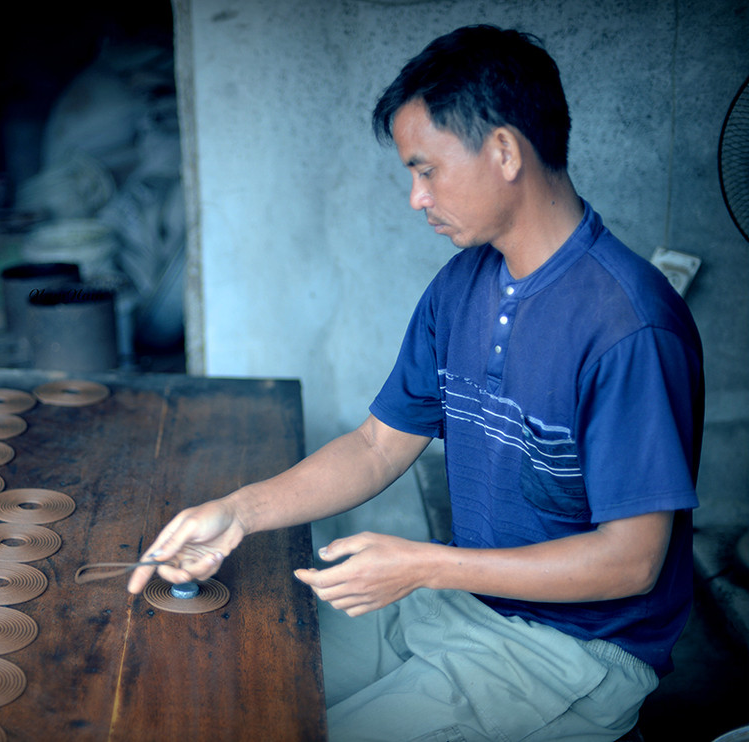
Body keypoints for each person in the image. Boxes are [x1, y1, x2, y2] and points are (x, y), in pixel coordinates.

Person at [128, 24, 704, 741]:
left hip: (572, 653)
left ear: (504, 152)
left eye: (426, 170)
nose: (415, 197)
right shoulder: (461, 286)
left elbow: (633, 562)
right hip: (460, 603)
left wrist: (423, 565)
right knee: (235, 679)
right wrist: (238, 512)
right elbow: (376, 446)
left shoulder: (629, 325)